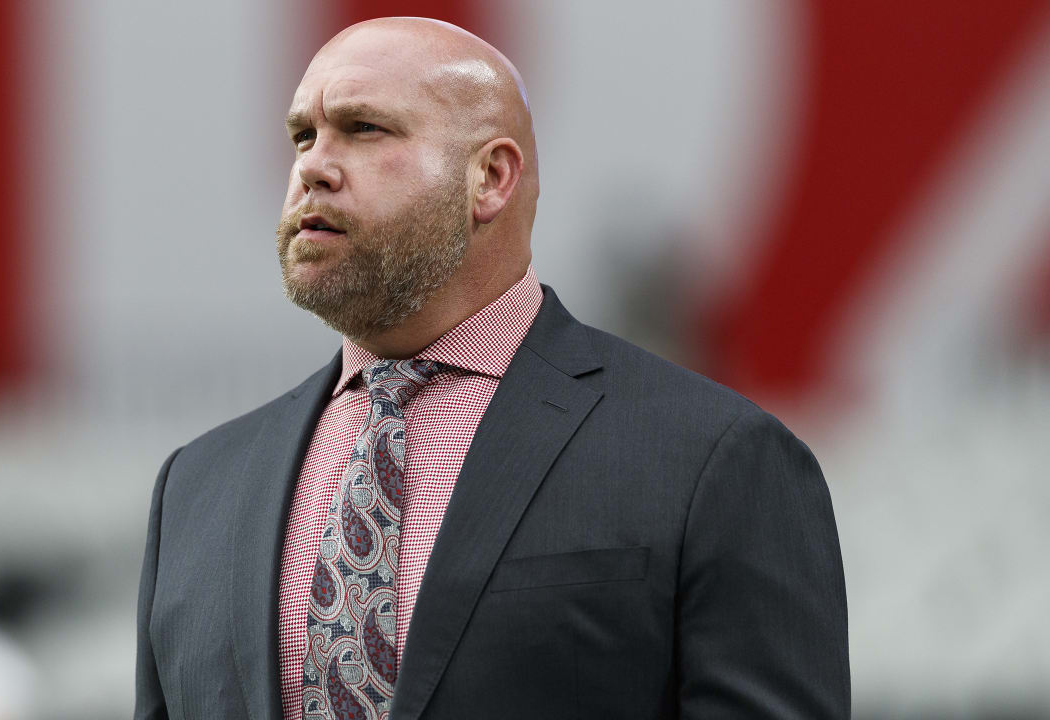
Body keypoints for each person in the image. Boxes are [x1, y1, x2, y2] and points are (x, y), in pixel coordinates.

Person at [134, 17, 849, 720]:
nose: (312, 167)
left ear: (492, 177)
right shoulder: (197, 490)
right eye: (303, 135)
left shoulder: (711, 459)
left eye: (364, 129)